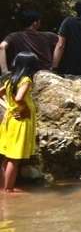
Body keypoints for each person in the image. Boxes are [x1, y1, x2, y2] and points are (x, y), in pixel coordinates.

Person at [0, 52, 39, 193]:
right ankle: (9, 190)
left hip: (9, 120)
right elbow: (19, 97)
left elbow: (1, 93)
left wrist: (9, 106)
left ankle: (5, 187)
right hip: (20, 122)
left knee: (7, 157)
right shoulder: (26, 80)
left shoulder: (10, 79)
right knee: (14, 158)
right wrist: (24, 109)